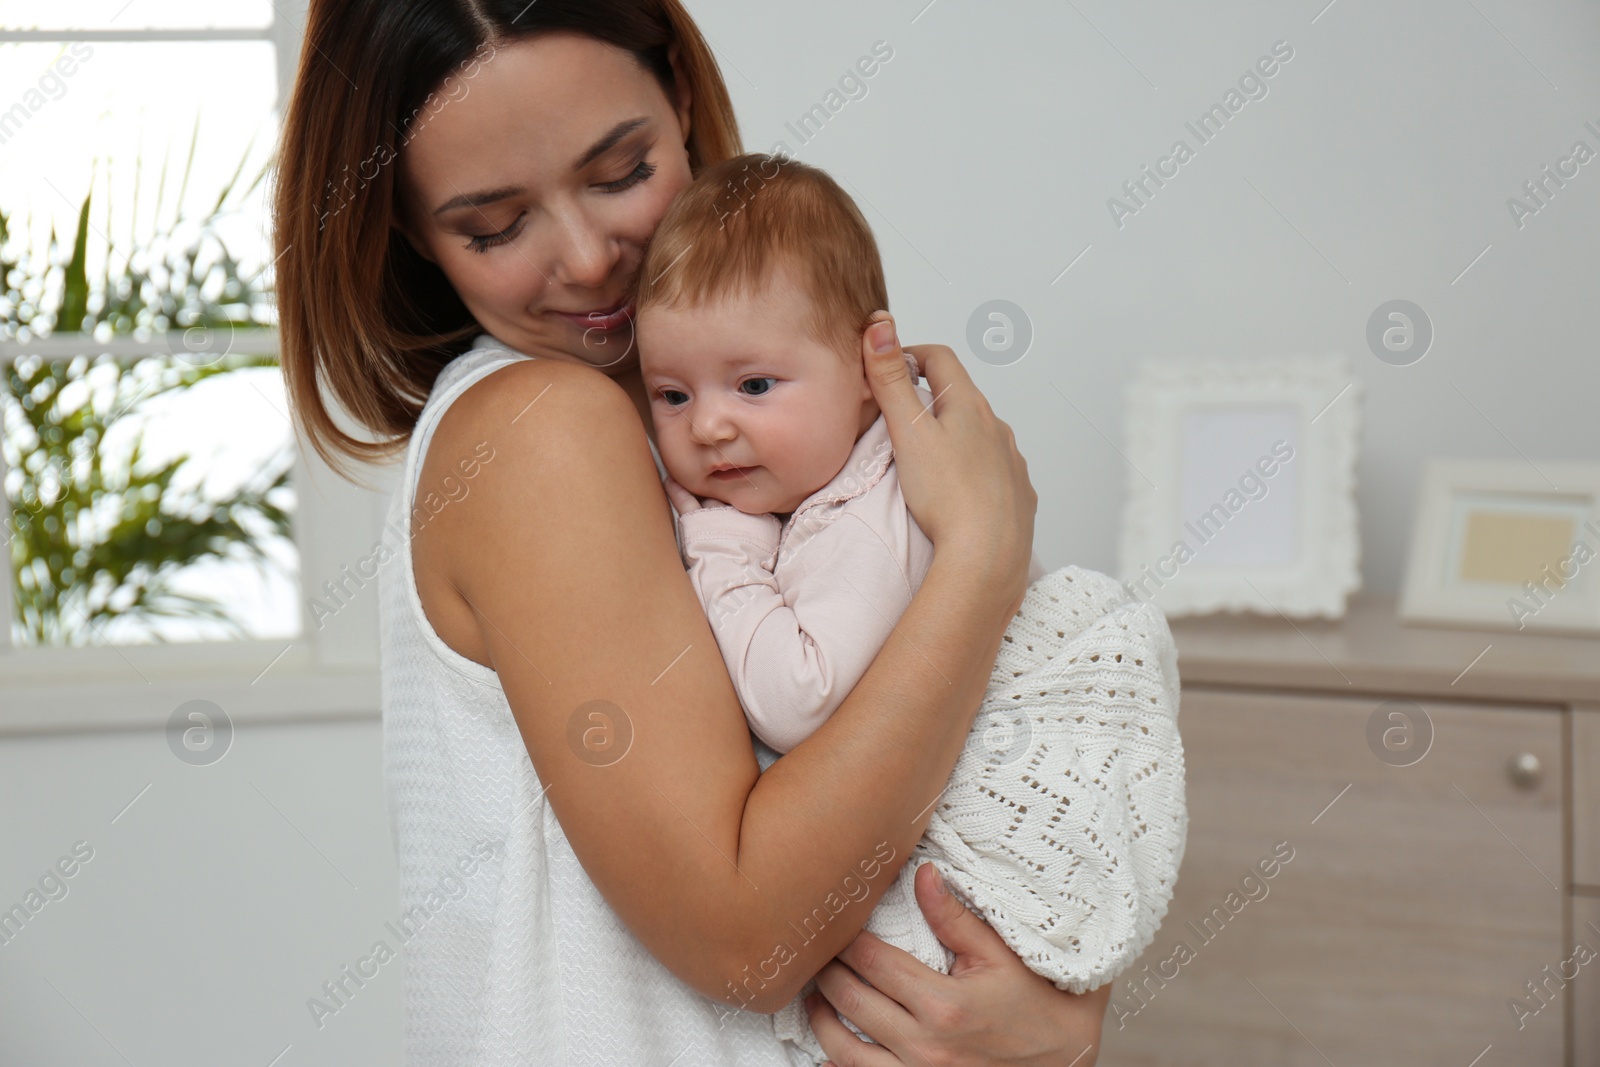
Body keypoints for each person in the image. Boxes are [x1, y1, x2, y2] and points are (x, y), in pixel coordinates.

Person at [274, 1, 1114, 1063]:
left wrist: (1046, 1006)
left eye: (620, 172)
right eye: (493, 226)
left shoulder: (725, 441)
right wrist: (982, 555)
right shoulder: (540, 430)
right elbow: (750, 936)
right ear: (401, 222)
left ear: (678, 96)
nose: (587, 259)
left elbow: (939, 786)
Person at [635, 153, 1186, 1063]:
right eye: (672, 394)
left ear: (866, 368)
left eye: (755, 385)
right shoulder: (828, 485)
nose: (708, 426)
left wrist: (721, 547)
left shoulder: (875, 508)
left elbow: (798, 696)